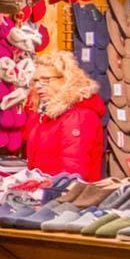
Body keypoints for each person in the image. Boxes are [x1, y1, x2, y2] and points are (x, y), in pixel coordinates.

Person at [24, 51, 104, 180]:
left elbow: (73, 172)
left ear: (67, 79)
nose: (38, 86)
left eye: (46, 80)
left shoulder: (77, 116)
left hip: (67, 197)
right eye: (36, 81)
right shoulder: (46, 114)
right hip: (47, 193)